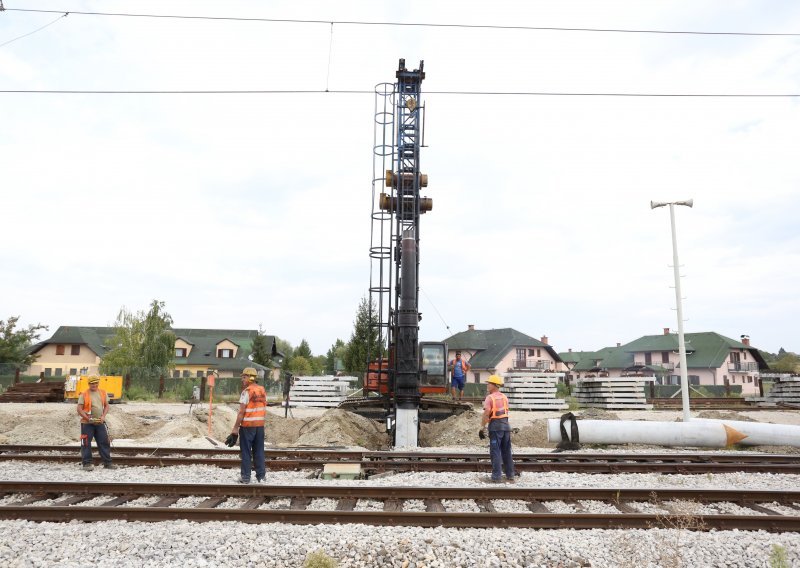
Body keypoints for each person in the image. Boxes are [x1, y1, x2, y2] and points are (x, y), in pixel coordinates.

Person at [230, 367, 267, 484]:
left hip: (247, 426)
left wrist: (235, 428)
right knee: (259, 451)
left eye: (244, 377)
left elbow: (241, 412)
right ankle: (261, 477)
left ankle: (245, 477)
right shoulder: (262, 390)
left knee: (246, 452)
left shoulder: (247, 392)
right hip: (260, 426)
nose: (242, 379)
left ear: (250, 378)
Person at [479, 375, 515, 483]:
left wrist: (482, 427)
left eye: (489, 383)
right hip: (506, 426)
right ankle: (510, 474)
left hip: (495, 427)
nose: (487, 385)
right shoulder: (504, 397)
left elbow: (486, 413)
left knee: (495, 451)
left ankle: (496, 476)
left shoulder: (489, 398)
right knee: (506, 451)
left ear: (494, 385)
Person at [76, 376, 117, 471]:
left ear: (98, 383)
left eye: (96, 383)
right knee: (85, 443)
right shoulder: (84, 394)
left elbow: (107, 406)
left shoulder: (102, 392)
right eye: (92, 383)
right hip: (87, 423)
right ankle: (87, 464)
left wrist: (103, 416)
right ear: (89, 384)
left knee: (104, 442)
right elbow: (79, 409)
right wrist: (87, 418)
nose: (94, 385)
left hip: (100, 422)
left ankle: (107, 463)